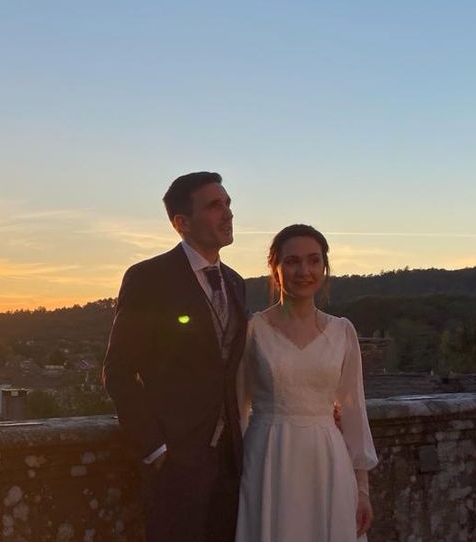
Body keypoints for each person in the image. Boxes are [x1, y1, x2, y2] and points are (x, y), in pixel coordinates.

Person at [103, 171, 247, 542]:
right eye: (215, 206)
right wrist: (156, 450)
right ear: (181, 222)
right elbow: (118, 371)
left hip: (231, 463)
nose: (228, 213)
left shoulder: (235, 282)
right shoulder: (148, 278)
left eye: (228, 203)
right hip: (176, 464)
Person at [236, 224, 378, 542]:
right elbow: (236, 409)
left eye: (314, 261)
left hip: (327, 460)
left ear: (324, 267)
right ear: (275, 267)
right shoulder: (252, 331)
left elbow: (354, 413)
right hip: (268, 460)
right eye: (292, 261)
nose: (304, 271)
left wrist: (362, 489)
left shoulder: (343, 332)